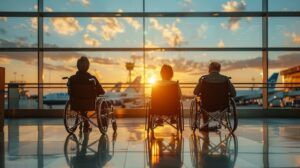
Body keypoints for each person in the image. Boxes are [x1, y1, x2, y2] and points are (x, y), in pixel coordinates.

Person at [193, 62, 236, 130]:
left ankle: (205, 125)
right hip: (222, 107)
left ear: (209, 69)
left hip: (207, 107)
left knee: (202, 102)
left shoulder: (203, 79)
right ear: (219, 69)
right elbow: (233, 94)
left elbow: (195, 92)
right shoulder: (225, 79)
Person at [68, 56, 105, 132]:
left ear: (77, 66)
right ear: (88, 66)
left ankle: (86, 124)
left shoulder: (72, 79)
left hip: (76, 104)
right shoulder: (92, 79)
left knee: (81, 103)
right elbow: (101, 92)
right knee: (100, 103)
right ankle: (89, 125)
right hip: (90, 104)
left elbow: (70, 92)